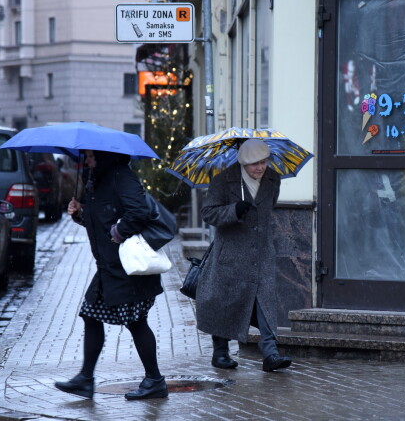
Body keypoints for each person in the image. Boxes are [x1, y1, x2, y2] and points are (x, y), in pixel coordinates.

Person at [54, 149, 168, 400]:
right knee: (91, 314)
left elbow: (139, 212)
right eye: (85, 155)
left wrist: (119, 232)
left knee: (136, 322)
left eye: (92, 155)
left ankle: (155, 380)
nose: (87, 158)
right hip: (109, 268)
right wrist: (80, 214)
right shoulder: (97, 179)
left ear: (105, 155)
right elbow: (102, 220)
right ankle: (85, 379)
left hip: (129, 267)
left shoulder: (121, 177)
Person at [195, 138, 292, 372]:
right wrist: (233, 210)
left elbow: (268, 209)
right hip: (231, 254)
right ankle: (221, 353)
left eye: (264, 162)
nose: (260, 167)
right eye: (254, 164)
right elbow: (208, 213)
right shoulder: (223, 181)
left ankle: (270, 353)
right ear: (242, 163)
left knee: (265, 302)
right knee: (224, 302)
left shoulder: (272, 179)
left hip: (262, 253)